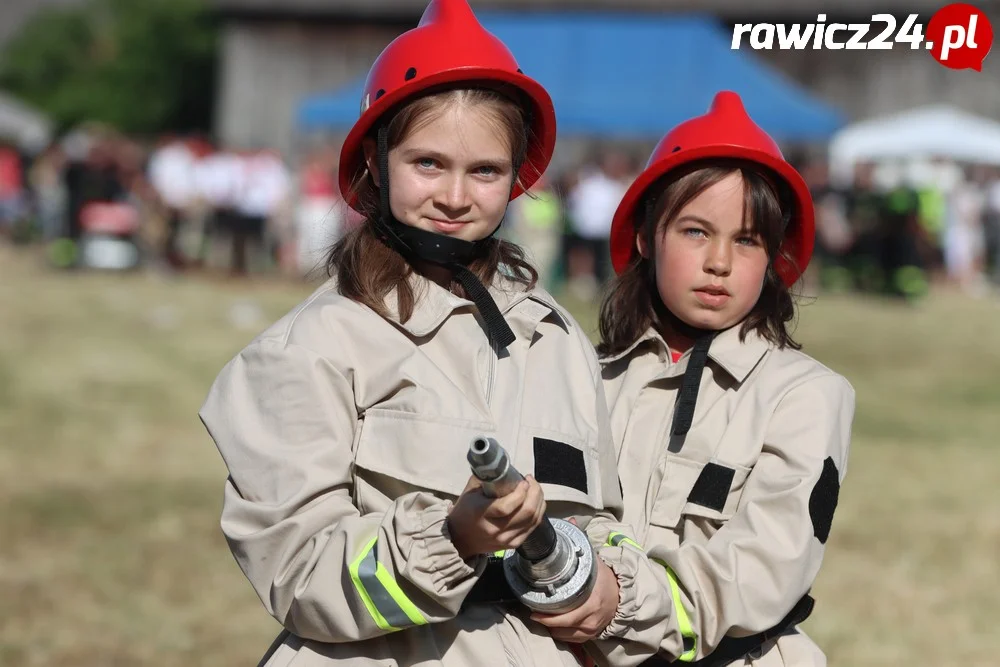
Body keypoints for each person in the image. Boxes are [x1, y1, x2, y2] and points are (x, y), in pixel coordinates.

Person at [199, 1, 641, 665]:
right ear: (375, 162)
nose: (456, 196)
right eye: (428, 163)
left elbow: (605, 518)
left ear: (518, 176)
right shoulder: (311, 348)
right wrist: (453, 538)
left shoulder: (556, 338)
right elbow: (298, 577)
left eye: (485, 170)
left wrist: (606, 582)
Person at [590, 92, 856, 666]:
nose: (719, 262)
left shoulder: (807, 394)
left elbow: (764, 568)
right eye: (694, 231)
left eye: (746, 239)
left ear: (775, 256)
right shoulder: (584, 377)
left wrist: (617, 605)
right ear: (644, 236)